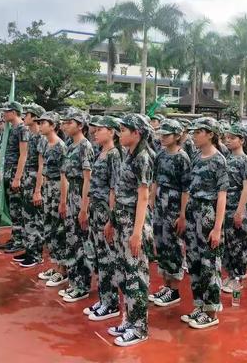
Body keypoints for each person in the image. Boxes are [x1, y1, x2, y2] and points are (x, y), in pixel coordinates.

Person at [105, 114, 152, 347]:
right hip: (122, 221)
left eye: (124, 130)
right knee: (125, 273)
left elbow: (143, 197)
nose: (120, 133)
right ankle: (129, 318)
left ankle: (140, 327)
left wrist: (137, 232)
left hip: (135, 224)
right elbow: (122, 194)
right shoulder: (128, 154)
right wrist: (112, 221)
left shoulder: (143, 158)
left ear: (137, 133)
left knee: (136, 276)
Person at [181, 117, 228, 329]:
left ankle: (211, 311)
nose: (194, 134)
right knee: (194, 260)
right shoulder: (196, 156)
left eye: (199, 131)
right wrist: (183, 213)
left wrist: (217, 228)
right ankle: (199, 305)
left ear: (210, 134)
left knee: (210, 263)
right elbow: (190, 188)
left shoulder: (218, 160)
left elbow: (222, 195)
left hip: (208, 212)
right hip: (193, 210)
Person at [149, 119, 191, 307]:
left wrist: (182, 214)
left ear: (177, 137)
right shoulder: (160, 155)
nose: (163, 138)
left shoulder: (182, 158)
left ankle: (174, 290)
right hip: (160, 205)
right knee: (161, 244)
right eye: (162, 135)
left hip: (173, 207)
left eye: (167, 135)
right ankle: (166, 285)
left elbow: (185, 189)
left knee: (173, 245)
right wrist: (151, 199)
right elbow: (155, 179)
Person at [84, 115, 122, 321]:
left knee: (109, 258)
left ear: (112, 132)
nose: (95, 132)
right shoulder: (101, 152)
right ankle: (104, 298)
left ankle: (112, 303)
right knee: (100, 256)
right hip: (95, 210)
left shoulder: (115, 155)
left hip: (105, 212)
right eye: (95, 130)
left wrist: (111, 219)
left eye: (100, 129)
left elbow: (114, 189)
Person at [60, 108, 94, 301]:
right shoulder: (70, 145)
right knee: (72, 240)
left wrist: (83, 207)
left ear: (80, 125)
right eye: (64, 122)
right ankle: (74, 281)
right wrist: (64, 201)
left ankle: (82, 285)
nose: (65, 126)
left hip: (80, 195)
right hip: (71, 194)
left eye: (69, 122)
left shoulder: (84, 146)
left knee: (81, 242)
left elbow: (87, 179)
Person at [36, 112, 69, 282]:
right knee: (49, 228)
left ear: (53, 126)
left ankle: (63, 269)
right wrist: (39, 189)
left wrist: (63, 201)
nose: (40, 125)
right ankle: (55, 264)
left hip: (57, 187)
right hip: (48, 187)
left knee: (59, 229)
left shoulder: (60, 146)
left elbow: (64, 177)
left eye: (43, 123)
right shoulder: (45, 143)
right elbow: (42, 169)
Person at [222, 123, 247, 293]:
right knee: (227, 243)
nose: (228, 141)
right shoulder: (226, 157)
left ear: (241, 140)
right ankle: (230, 275)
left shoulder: (245, 161)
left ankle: (238, 278)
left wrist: (240, 211)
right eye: (227, 138)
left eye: (232, 138)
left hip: (237, 206)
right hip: (225, 206)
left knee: (239, 244)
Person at [13, 104, 45, 266]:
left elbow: (42, 166)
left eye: (27, 114)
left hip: (35, 181)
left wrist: (38, 189)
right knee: (26, 216)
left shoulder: (41, 137)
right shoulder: (31, 136)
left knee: (35, 218)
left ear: (35, 117)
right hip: (27, 178)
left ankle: (36, 254)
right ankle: (29, 248)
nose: (24, 117)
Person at [0, 101, 29, 254]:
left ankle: (20, 240)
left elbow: (23, 155)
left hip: (15, 173)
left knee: (17, 208)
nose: (4, 114)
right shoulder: (11, 129)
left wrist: (17, 178)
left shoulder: (22, 129)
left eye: (7, 111)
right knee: (12, 208)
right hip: (8, 171)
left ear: (14, 112)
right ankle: (15, 236)